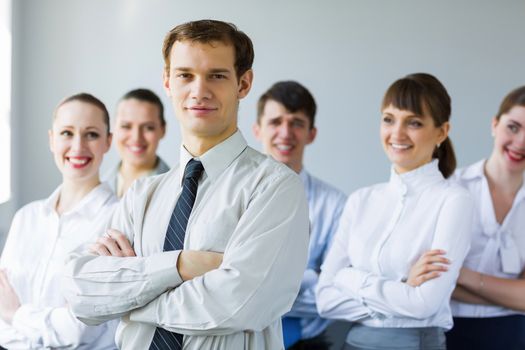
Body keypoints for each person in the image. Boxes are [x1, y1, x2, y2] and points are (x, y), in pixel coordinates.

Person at [62, 19, 309, 350]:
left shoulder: (275, 187)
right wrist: (181, 265)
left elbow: (237, 305)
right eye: (185, 75)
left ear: (244, 83)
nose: (199, 91)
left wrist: (129, 303)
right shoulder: (142, 195)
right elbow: (82, 292)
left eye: (216, 76)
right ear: (167, 81)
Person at [316, 73, 474, 350]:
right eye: (389, 119)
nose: (397, 134)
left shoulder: (454, 201)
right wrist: (401, 287)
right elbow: (324, 300)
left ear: (442, 131)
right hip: (353, 344)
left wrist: (349, 277)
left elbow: (424, 305)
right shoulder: (360, 200)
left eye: (413, 122)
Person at [0, 93, 118, 349]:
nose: (78, 147)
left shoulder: (116, 221)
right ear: (52, 140)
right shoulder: (26, 218)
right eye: (66, 133)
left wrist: (16, 314)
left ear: (108, 142)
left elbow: (77, 331)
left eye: (91, 134)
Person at [253, 80, 347, 349]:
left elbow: (334, 292)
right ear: (257, 129)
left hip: (308, 344)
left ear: (311, 133)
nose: (285, 133)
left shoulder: (335, 205)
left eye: (296, 123)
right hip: (236, 339)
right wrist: (307, 278)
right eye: (275, 122)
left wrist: (257, 288)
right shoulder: (229, 197)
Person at [440, 86, 525, 349]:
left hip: (514, 331)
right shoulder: (450, 188)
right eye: (513, 127)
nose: (521, 142)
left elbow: (447, 279)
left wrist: (460, 275)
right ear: (494, 125)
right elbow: (430, 281)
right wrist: (510, 293)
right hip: (445, 325)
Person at [103, 88, 169, 198]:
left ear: (162, 130)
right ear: (114, 128)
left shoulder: (177, 191)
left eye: (148, 128)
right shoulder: (96, 188)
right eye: (126, 126)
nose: (136, 138)